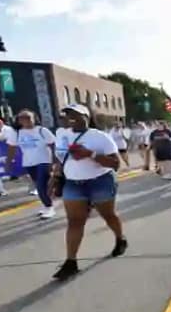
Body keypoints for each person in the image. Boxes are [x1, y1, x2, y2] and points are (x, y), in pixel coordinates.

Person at [50, 104, 127, 280]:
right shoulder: (62, 134)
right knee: (75, 222)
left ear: (87, 117)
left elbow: (115, 164)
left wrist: (89, 154)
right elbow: (59, 157)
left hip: (99, 182)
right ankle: (71, 262)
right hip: (73, 184)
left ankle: (120, 238)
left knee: (108, 215)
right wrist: (55, 176)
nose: (71, 118)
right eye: (68, 115)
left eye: (76, 115)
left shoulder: (100, 137)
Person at [6, 110, 57, 219]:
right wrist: (8, 162)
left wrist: (54, 162)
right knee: (39, 185)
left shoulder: (42, 131)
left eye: (28, 117)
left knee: (40, 185)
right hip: (29, 162)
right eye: (21, 118)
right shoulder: (17, 133)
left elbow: (53, 145)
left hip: (44, 161)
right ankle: (47, 204)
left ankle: (49, 207)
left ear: (34, 118)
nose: (25, 120)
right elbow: (11, 148)